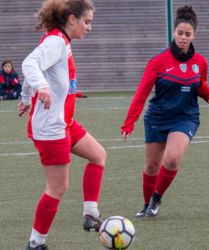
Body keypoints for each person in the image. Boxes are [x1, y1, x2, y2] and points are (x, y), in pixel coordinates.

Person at [18, 1, 106, 249]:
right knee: (57, 188)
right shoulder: (56, 42)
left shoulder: (61, 41)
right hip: (51, 129)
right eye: (86, 22)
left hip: (64, 121)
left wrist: (26, 96)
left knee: (98, 155)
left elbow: (37, 68)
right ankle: (36, 243)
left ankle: (90, 215)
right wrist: (41, 88)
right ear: (71, 19)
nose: (89, 27)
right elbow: (29, 64)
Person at [121, 5, 209, 218]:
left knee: (172, 158)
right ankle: (147, 204)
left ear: (194, 35)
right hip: (158, 117)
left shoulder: (200, 62)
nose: (183, 38)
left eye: (188, 34)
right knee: (151, 167)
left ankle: (156, 198)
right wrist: (129, 122)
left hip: (186, 117)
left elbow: (200, 86)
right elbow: (141, 94)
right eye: (180, 33)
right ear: (173, 33)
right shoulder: (158, 62)